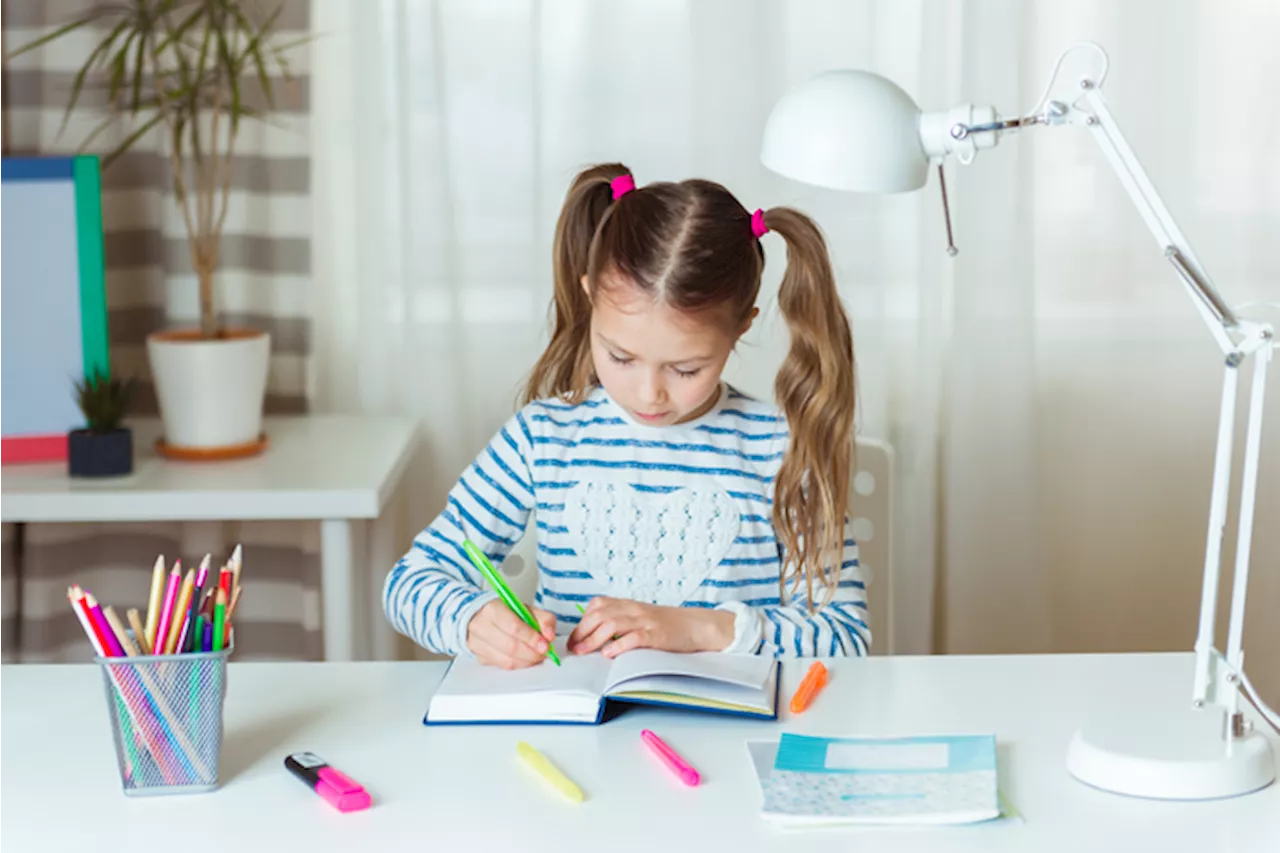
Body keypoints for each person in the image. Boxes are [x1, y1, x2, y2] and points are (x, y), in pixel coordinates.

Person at [383, 163, 868, 668]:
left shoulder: (779, 449)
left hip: (729, 734)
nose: (648, 392)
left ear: (743, 326)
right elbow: (409, 582)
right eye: (620, 357)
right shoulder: (542, 438)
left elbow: (845, 636)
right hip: (577, 731)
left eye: (685, 368)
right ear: (590, 296)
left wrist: (698, 628)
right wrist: (471, 619)